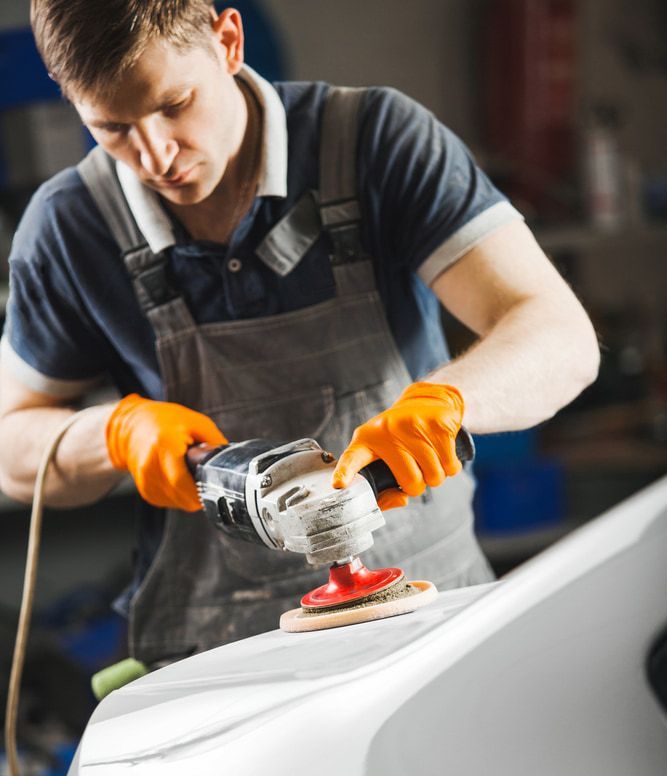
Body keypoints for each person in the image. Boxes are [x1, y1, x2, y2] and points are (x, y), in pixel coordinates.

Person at [0, 2, 599, 666]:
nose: (155, 155)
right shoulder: (67, 229)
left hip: (431, 622)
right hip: (222, 659)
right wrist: (111, 434)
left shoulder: (374, 141)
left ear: (227, 40)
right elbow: (10, 448)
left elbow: (557, 334)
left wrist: (449, 402)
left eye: (174, 104)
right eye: (111, 127)